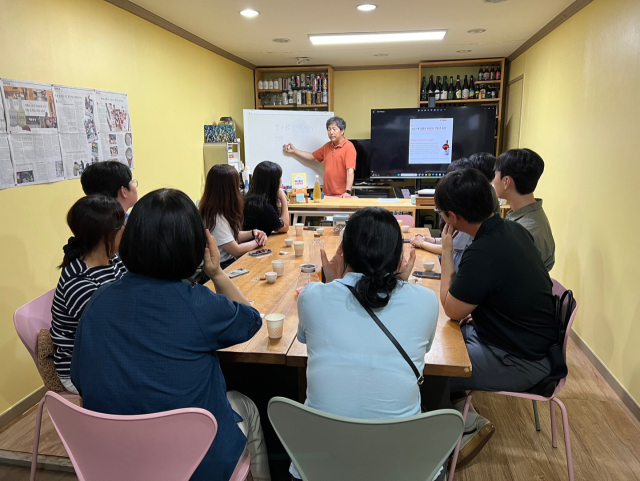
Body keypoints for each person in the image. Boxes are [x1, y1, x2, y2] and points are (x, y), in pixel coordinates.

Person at [70, 189, 271, 481]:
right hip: (191, 464)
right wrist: (216, 273)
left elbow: (79, 378)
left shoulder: (97, 301)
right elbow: (251, 321)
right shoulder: (197, 304)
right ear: (195, 244)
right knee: (246, 406)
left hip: (114, 461)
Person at [292, 207, 440, 480]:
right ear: (399, 261)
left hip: (318, 468)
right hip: (403, 469)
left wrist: (333, 281)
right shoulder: (427, 302)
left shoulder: (312, 297)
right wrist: (400, 283)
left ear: (343, 254)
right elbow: (422, 348)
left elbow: (308, 335)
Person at [433, 168, 556, 466]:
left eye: (442, 215)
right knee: (440, 345)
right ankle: (466, 418)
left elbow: (451, 308)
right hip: (523, 342)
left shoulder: (484, 250)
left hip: (520, 359)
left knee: (430, 372)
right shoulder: (512, 229)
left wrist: (447, 251)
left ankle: (461, 433)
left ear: (452, 216)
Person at [50, 195, 126, 394]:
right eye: (121, 226)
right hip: (82, 368)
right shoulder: (79, 281)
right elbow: (107, 336)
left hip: (108, 352)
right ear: (105, 235)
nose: (126, 230)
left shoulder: (114, 260)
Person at [493, 148, 555, 271]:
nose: (493, 181)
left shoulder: (525, 231)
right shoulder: (529, 215)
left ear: (506, 182)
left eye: (495, 175)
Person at [199, 164, 267, 269]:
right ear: (229, 190)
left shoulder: (217, 211)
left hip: (226, 263)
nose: (239, 189)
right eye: (238, 185)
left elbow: (232, 236)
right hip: (221, 267)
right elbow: (236, 250)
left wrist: (253, 233)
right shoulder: (216, 218)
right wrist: (258, 242)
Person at [411, 159, 473, 271]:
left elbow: (451, 249)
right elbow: (452, 241)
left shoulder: (465, 215)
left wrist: (422, 243)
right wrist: (431, 240)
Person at [284, 116, 356, 197]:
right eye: (329, 129)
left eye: (334, 129)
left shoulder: (349, 147)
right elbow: (312, 156)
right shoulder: (327, 146)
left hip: (342, 195)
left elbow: (350, 171)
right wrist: (295, 151)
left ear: (342, 131)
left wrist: (347, 191)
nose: (331, 132)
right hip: (326, 194)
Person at [243, 160, 290, 235]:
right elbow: (284, 227)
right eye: (279, 178)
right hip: (257, 245)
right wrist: (283, 199)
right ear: (273, 183)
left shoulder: (250, 200)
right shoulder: (263, 206)